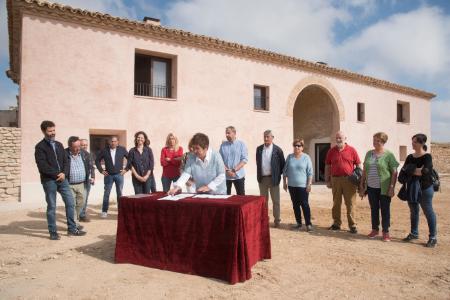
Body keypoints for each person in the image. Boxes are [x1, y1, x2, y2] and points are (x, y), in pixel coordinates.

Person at [34, 120, 86, 240]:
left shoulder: (59, 144)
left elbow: (66, 161)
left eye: (53, 130)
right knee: (52, 206)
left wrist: (64, 173)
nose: (52, 133)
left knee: (70, 203)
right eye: (50, 131)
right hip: (49, 181)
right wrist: (58, 174)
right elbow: (42, 166)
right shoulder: (40, 147)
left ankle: (72, 229)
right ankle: (53, 232)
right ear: (43, 131)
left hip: (63, 179)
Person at [359, 132, 399, 242]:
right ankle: (375, 229)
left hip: (384, 187)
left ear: (383, 142)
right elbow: (365, 169)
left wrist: (392, 187)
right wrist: (362, 184)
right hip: (371, 187)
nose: (374, 142)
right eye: (374, 140)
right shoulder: (369, 154)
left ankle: (386, 232)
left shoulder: (389, 155)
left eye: (377, 140)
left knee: (385, 210)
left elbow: (395, 172)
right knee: (374, 209)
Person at [401, 133, 437, 248]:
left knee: (428, 211)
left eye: (415, 141)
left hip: (425, 188)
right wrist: (416, 170)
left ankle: (433, 237)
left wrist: (411, 170)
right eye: (412, 141)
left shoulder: (427, 157)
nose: (412, 143)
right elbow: (404, 170)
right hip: (411, 188)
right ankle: (414, 233)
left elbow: (425, 171)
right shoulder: (410, 157)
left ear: (421, 143)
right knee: (414, 211)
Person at [325, 131, 361, 233]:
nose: (338, 139)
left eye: (340, 138)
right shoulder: (331, 151)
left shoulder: (352, 150)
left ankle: (352, 225)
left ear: (345, 138)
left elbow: (358, 165)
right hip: (335, 179)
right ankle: (336, 224)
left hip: (349, 180)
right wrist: (327, 180)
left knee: (350, 203)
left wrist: (359, 180)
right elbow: (327, 166)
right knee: (336, 203)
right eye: (337, 138)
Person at [282, 138, 314, 231]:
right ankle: (299, 223)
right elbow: (285, 171)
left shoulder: (306, 157)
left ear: (302, 147)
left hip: (303, 186)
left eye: (299, 145)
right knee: (295, 205)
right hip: (292, 186)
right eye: (295, 145)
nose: (296, 147)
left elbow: (310, 173)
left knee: (304, 204)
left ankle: (308, 224)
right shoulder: (290, 157)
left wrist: (309, 184)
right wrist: (285, 183)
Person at [256, 130, 285, 228]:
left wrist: (277, 175)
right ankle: (264, 220)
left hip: (274, 179)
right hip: (262, 179)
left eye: (268, 136)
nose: (266, 138)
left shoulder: (278, 150)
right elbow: (258, 163)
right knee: (263, 201)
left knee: (276, 201)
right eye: (264, 136)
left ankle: (277, 220)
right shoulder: (259, 149)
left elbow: (282, 165)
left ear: (272, 137)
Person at [95, 136, 128, 218]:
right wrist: (101, 170)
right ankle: (104, 211)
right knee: (106, 193)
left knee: (119, 193)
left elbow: (130, 159)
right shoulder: (104, 150)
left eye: (115, 141)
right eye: (112, 141)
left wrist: (126, 169)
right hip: (108, 175)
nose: (113, 143)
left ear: (118, 142)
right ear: (109, 142)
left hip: (119, 175)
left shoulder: (122, 149)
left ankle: (120, 211)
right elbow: (97, 160)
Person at [65, 136, 91, 226]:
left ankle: (76, 218)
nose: (78, 149)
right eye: (75, 147)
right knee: (71, 204)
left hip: (82, 184)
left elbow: (90, 166)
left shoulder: (84, 154)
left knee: (82, 202)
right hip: (69, 184)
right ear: (69, 146)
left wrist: (91, 176)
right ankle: (74, 223)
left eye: (79, 146)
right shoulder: (64, 154)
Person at [219, 126, 248, 195]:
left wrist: (234, 170)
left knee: (241, 198)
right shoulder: (223, 145)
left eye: (228, 133)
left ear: (234, 133)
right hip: (226, 176)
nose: (227, 135)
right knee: (225, 198)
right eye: (226, 133)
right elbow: (220, 160)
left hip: (239, 175)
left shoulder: (241, 144)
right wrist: (227, 170)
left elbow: (244, 159)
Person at [79, 138, 95, 222]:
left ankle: (82, 214)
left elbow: (92, 167)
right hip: (80, 180)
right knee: (80, 198)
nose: (84, 146)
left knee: (85, 198)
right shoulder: (77, 154)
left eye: (86, 145)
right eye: (83, 145)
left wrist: (93, 177)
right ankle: (78, 215)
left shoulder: (89, 154)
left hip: (88, 180)